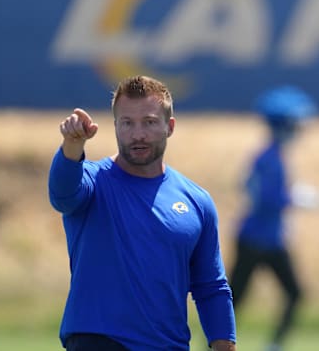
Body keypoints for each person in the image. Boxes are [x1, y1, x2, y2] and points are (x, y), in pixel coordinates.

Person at [47, 75, 236, 351]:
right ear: (115, 127)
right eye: (127, 123)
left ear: (169, 126)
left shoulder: (196, 201)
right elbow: (62, 196)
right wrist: (72, 146)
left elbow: (211, 287)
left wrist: (225, 345)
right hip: (99, 343)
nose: (138, 134)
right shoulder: (92, 181)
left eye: (148, 122)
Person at [229, 85, 317, 351]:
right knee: (237, 299)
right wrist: (295, 198)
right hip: (260, 238)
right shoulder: (271, 157)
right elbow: (267, 198)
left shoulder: (268, 155)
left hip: (262, 237)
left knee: (238, 299)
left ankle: (269, 344)